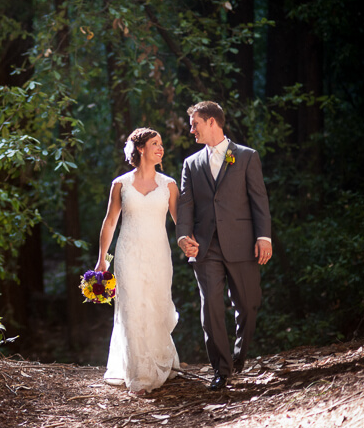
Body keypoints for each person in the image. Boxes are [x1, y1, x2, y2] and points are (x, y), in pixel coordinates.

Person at [176, 101, 272, 391]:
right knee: (211, 308)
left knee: (248, 305)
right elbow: (186, 205)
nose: (191, 130)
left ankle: (239, 357)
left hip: (243, 244)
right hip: (206, 248)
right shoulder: (191, 164)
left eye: (195, 124)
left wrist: (263, 236)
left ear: (212, 122)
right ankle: (221, 370)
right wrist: (183, 237)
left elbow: (259, 199)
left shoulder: (246, 157)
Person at [95, 127, 180, 394]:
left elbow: (180, 223)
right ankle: (139, 375)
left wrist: (189, 242)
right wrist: (102, 261)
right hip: (128, 254)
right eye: (155, 143)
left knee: (157, 305)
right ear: (140, 148)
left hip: (158, 254)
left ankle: (163, 362)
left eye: (162, 144)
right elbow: (110, 223)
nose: (161, 148)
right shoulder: (121, 184)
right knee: (131, 307)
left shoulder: (169, 185)